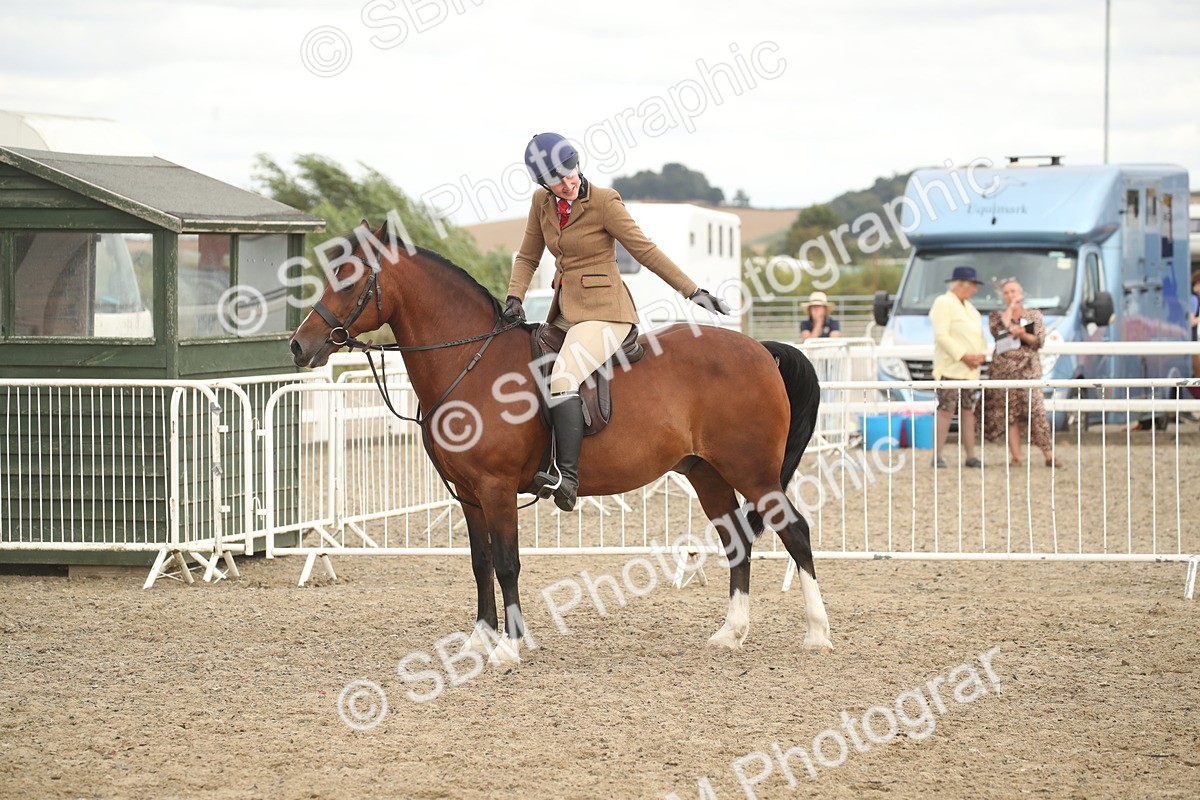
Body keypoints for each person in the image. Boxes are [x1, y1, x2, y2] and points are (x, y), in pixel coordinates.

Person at [502, 132, 731, 511]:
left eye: (571, 171)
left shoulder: (605, 202)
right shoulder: (541, 203)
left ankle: (567, 478)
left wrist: (693, 291)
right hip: (564, 313)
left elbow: (645, 251)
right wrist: (514, 297)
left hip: (606, 313)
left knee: (562, 378)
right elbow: (528, 256)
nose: (568, 182)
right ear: (543, 184)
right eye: (557, 180)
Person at [981, 278, 1059, 466]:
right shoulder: (996, 316)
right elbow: (997, 331)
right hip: (1003, 371)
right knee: (1010, 414)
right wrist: (1009, 311)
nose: (1010, 295)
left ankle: (1049, 455)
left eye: (1013, 291)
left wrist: (1022, 334)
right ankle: (1016, 456)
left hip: (1028, 369)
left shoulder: (1034, 315)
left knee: (1036, 411)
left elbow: (1039, 341)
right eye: (1006, 293)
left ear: (1021, 294)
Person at [930, 265, 986, 469]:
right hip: (950, 369)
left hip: (970, 371)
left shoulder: (970, 308)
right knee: (946, 410)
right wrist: (963, 356)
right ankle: (937, 455)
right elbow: (942, 335)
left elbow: (978, 335)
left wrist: (980, 354)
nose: (975, 290)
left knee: (968, 411)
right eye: (972, 285)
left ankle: (971, 456)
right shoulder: (943, 303)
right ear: (962, 285)